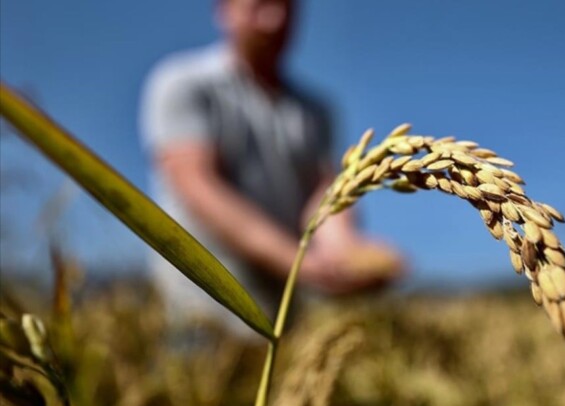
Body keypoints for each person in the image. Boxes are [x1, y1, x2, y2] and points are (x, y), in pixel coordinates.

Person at [140, 0, 403, 334]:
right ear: (224, 10)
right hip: (203, 305)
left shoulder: (315, 111)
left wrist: (346, 255)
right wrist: (300, 265)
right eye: (259, 6)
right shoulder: (183, 83)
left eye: (286, 8)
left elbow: (323, 197)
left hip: (279, 307)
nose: (274, 20)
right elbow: (196, 184)